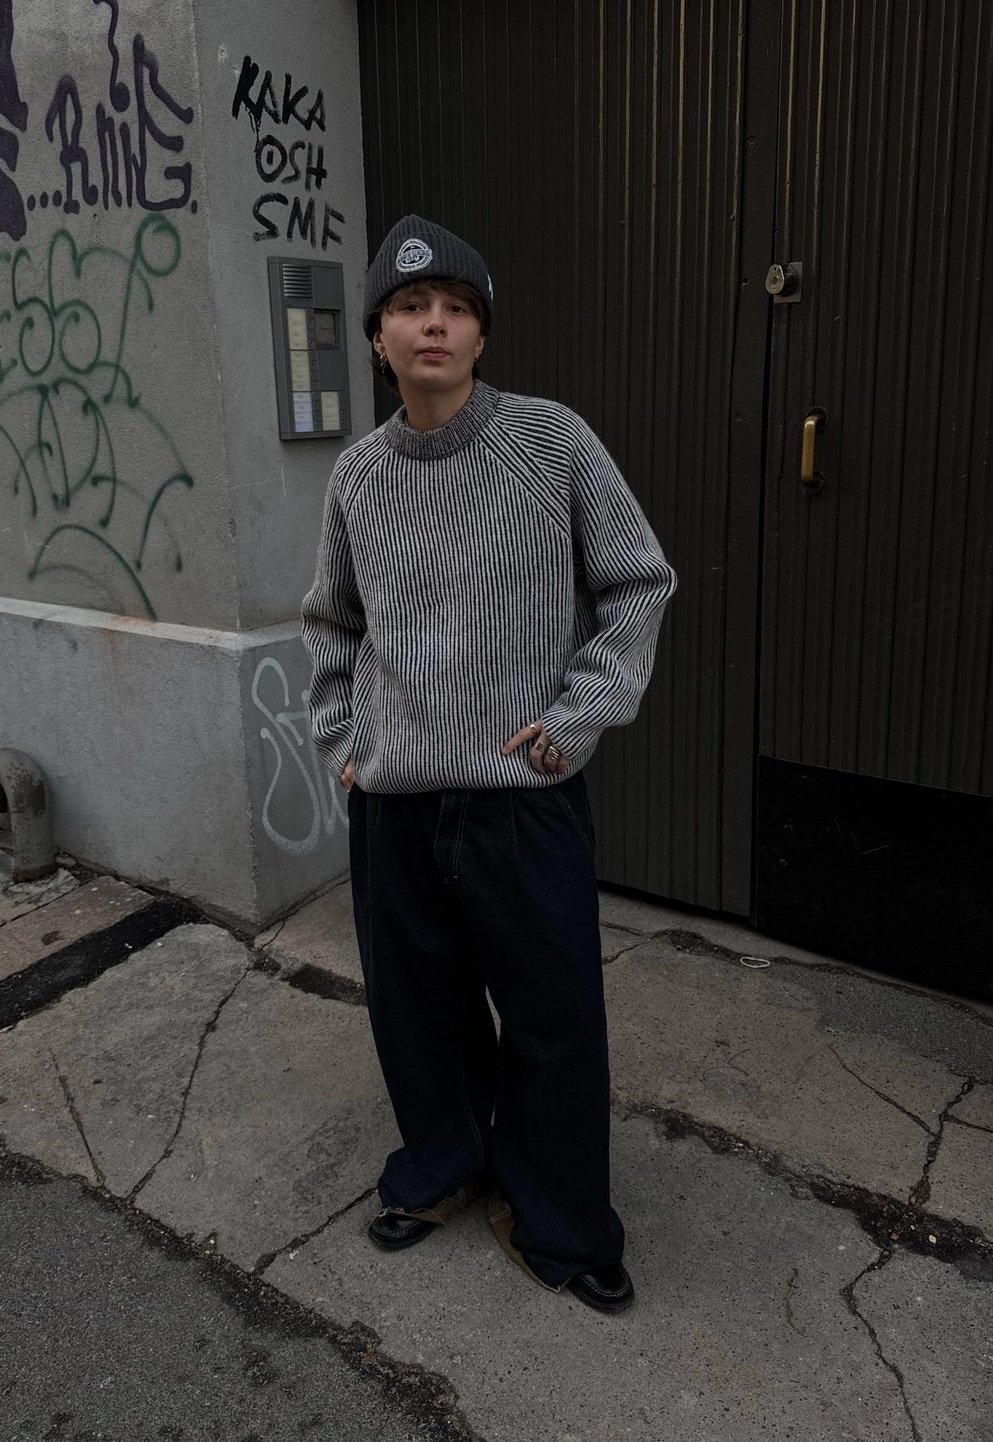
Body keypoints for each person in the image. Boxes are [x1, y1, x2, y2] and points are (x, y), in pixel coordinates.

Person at [301, 214, 676, 1314]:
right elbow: (330, 623)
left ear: (479, 333)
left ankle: (559, 1219)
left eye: (456, 308)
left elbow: (637, 583)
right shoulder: (358, 478)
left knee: (555, 1018)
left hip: (523, 797)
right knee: (417, 1010)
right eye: (412, 308)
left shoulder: (551, 444)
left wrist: (579, 715)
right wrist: (343, 740)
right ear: (378, 335)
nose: (433, 324)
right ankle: (443, 1165)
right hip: (399, 802)